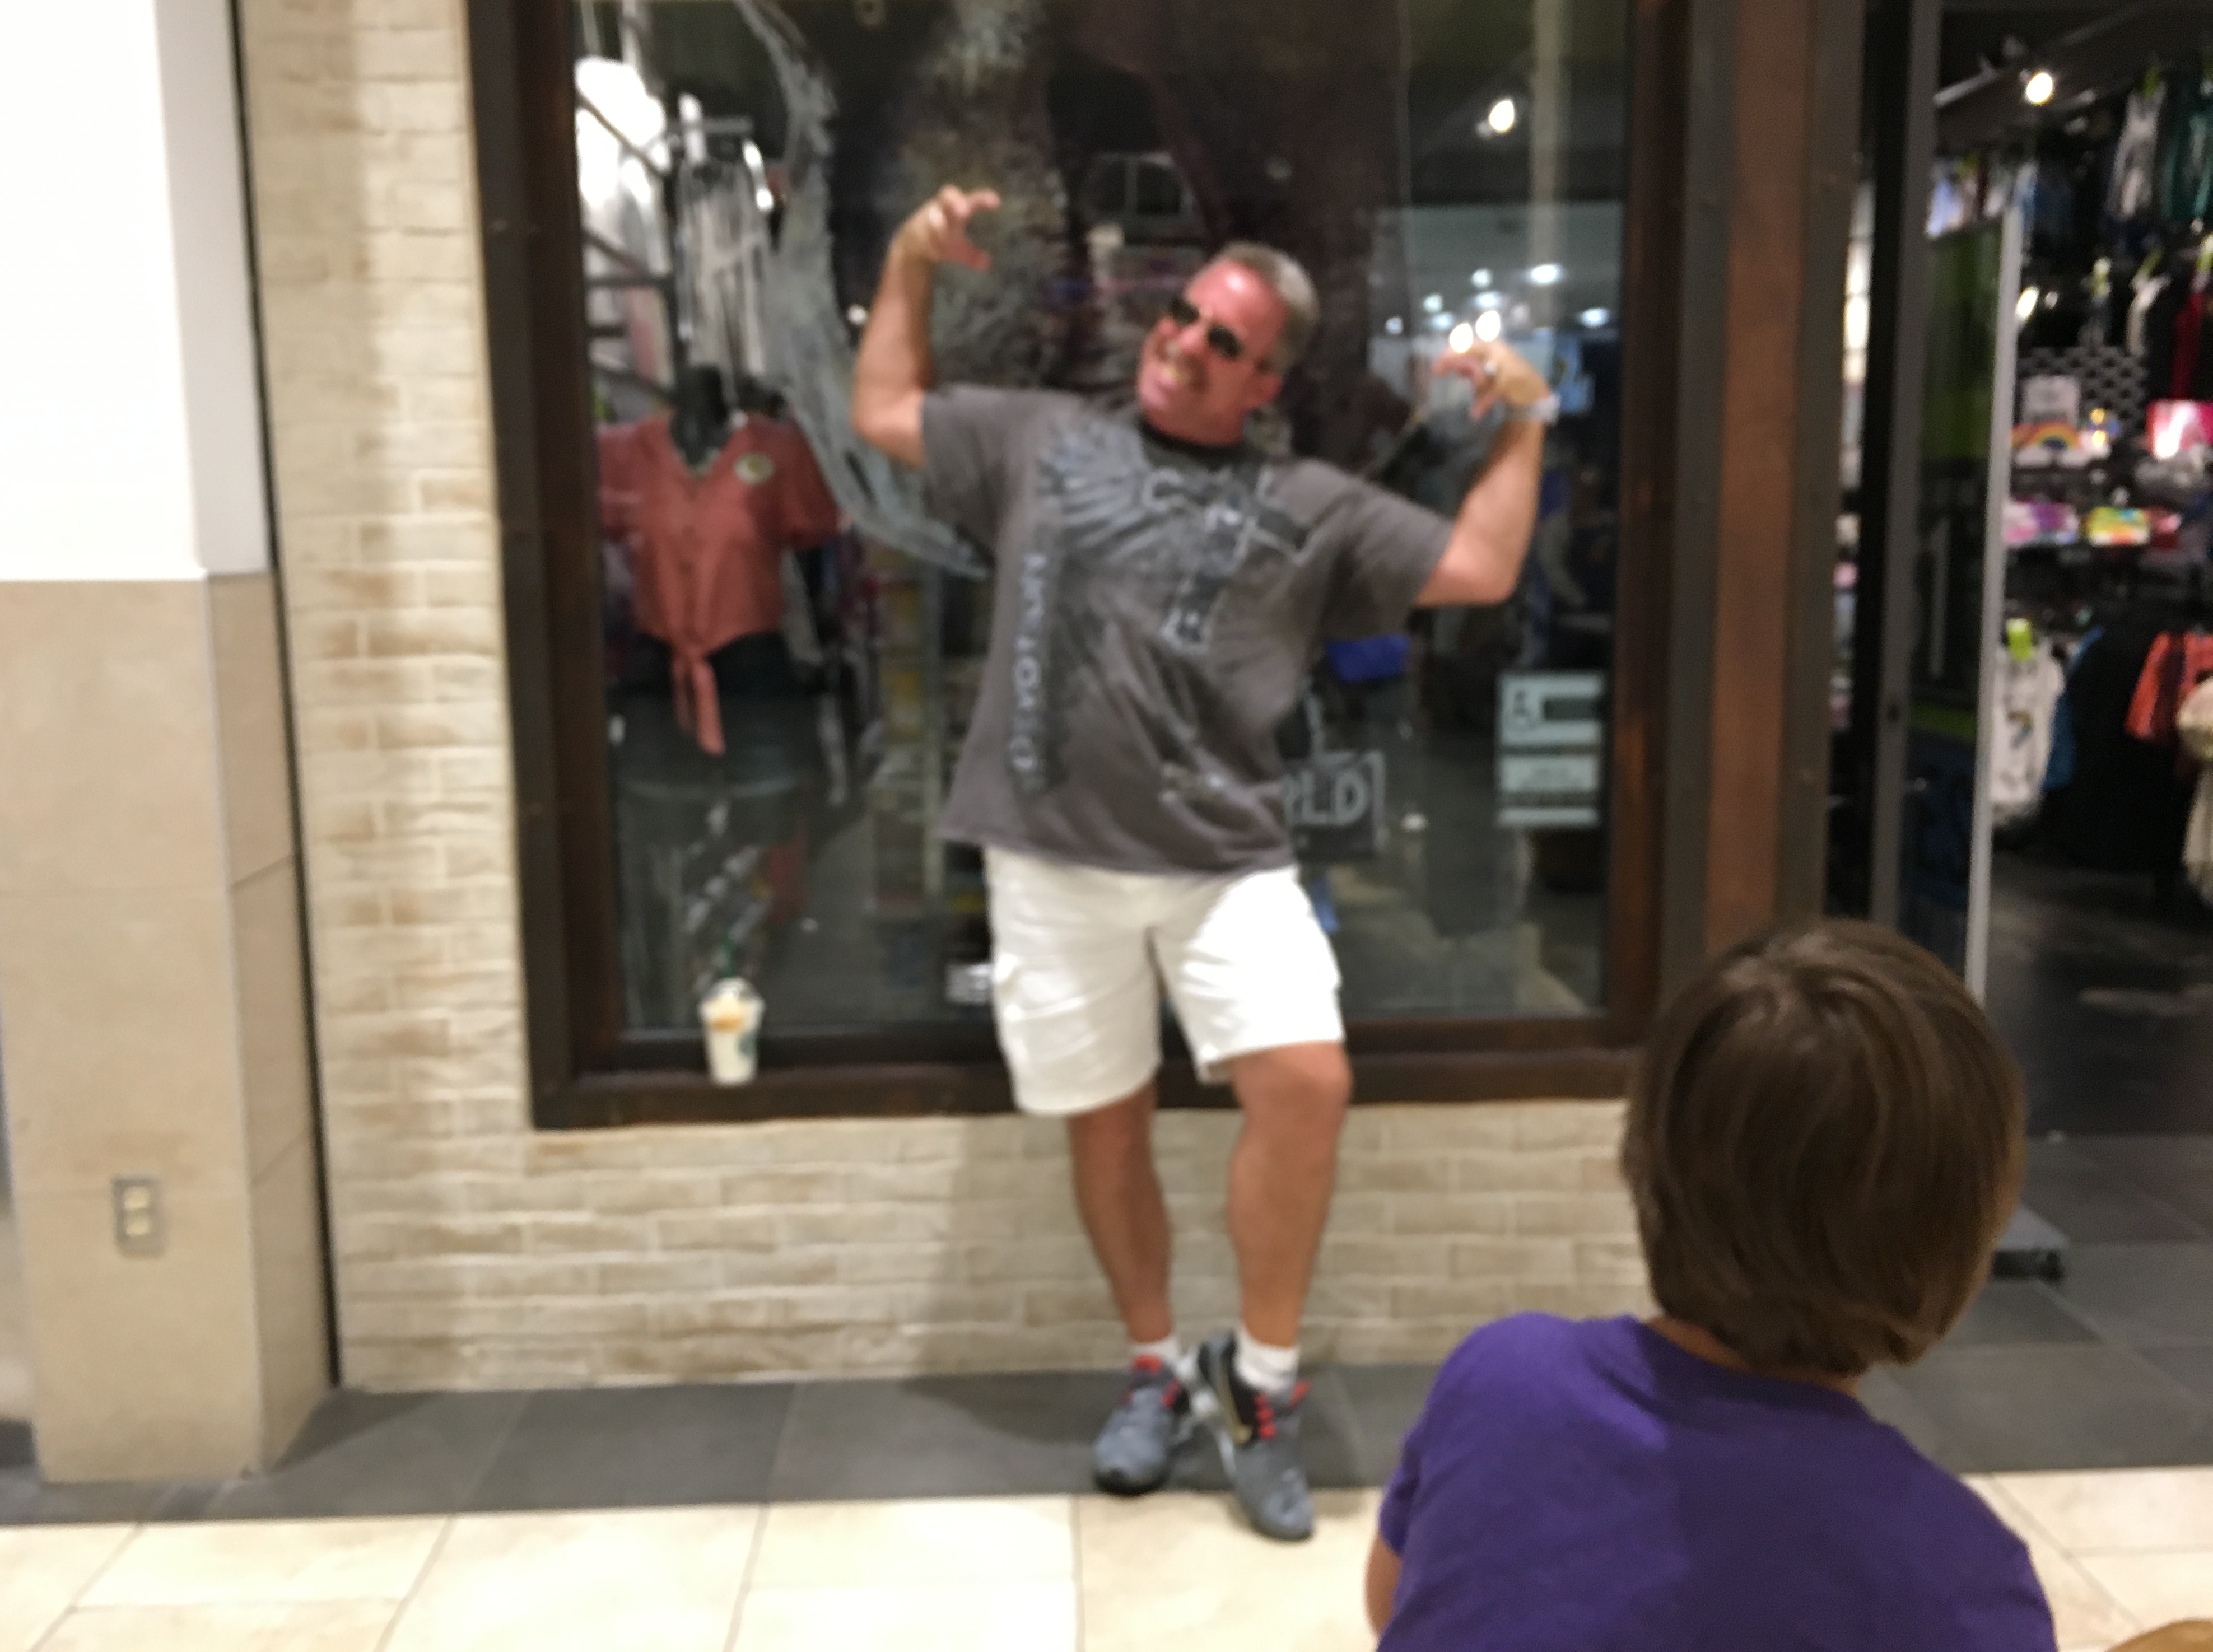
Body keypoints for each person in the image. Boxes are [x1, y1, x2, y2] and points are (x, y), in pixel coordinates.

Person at [851, 186, 1552, 1541]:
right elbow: (884, 406)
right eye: (1181, 315)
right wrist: (909, 262)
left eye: (1224, 341)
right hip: (1050, 857)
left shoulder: (1307, 505)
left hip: (1223, 860)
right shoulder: (1042, 439)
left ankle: (1261, 1386)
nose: (1183, 344)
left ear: (1266, 382)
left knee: (1308, 1085)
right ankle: (1157, 1367)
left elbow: (1480, 565)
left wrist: (1528, 417)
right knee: (1105, 1124)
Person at [1366, 920, 2057, 1650]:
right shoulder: (1957, 1581)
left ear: (1646, 1161)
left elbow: (1393, 1605)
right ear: (1959, 1235)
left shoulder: (1500, 1377)